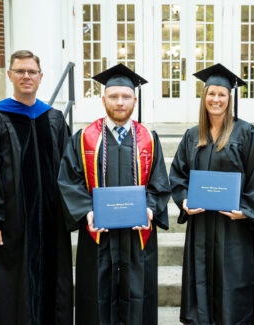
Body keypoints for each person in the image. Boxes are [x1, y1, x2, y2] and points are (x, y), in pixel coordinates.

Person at [0, 50, 73, 325]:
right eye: (20, 71)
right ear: (10, 75)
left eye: (32, 72)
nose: (26, 76)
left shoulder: (53, 119)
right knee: (9, 297)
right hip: (7, 230)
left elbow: (70, 171)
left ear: (40, 78)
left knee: (51, 294)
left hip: (49, 228)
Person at [57, 64, 171, 325]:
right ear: (103, 99)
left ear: (135, 99)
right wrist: (87, 212)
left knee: (138, 296)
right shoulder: (83, 138)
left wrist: (150, 209)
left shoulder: (149, 139)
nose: (120, 103)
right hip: (99, 236)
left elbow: (159, 184)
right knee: (96, 297)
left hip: (137, 236)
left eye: (126, 97)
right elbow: (69, 181)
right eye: (114, 96)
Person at [169, 63, 254, 325]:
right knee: (200, 282)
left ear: (229, 98)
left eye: (221, 94)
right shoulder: (192, 135)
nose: (216, 99)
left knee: (232, 285)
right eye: (211, 94)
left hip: (232, 227)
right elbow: (177, 175)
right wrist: (185, 200)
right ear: (204, 97)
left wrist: (246, 210)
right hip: (201, 225)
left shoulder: (245, 132)